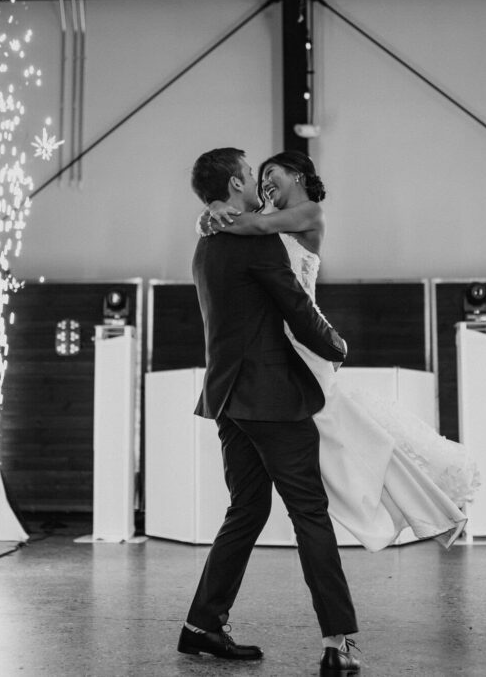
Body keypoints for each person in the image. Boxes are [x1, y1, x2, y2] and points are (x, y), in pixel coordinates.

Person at [199, 150, 479, 553]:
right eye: (258, 180)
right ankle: (406, 508)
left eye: (271, 174)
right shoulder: (260, 229)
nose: (264, 185)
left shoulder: (310, 214)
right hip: (282, 339)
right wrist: (211, 213)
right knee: (343, 436)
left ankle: (413, 509)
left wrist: (212, 213)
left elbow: (256, 225)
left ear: (296, 174)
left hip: (304, 338)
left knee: (343, 434)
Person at [180, 147, 362, 674]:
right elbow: (297, 312)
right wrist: (336, 346)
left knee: (247, 509)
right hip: (272, 397)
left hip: (228, 398)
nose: (257, 176)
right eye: (251, 170)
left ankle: (202, 626)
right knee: (309, 513)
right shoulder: (254, 242)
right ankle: (338, 640)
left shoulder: (206, 244)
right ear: (238, 182)